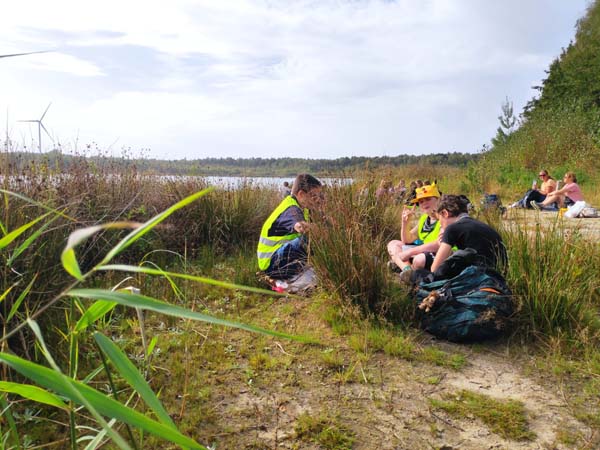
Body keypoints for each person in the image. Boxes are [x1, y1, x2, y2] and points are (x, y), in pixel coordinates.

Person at [257, 174, 323, 281]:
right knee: (309, 239)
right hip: (271, 264)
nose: (317, 199)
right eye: (314, 196)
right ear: (301, 194)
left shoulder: (303, 207)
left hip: (280, 259)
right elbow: (301, 227)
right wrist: (323, 230)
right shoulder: (291, 208)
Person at [431, 194, 507, 273]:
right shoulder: (482, 225)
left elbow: (435, 269)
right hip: (498, 275)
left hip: (478, 275)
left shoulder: (452, 228)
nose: (440, 224)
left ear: (445, 213)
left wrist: (441, 246)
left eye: (439, 219)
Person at [387, 183, 442, 272]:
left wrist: (410, 252)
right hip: (423, 251)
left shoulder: (444, 217)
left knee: (419, 260)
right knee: (393, 244)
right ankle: (407, 270)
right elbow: (407, 240)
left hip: (438, 254)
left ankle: (402, 266)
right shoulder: (424, 218)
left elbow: (439, 244)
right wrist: (405, 223)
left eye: (428, 199)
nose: (424, 203)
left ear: (438, 200)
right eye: (421, 202)